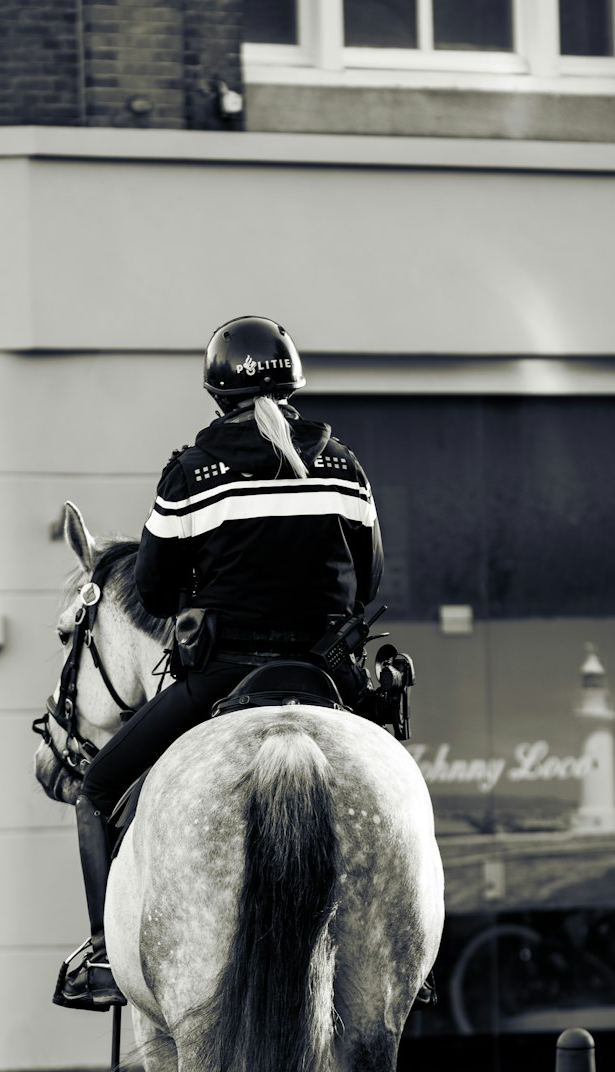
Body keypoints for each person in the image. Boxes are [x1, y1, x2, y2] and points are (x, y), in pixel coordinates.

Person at [57, 315, 384, 1010]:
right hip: (328, 674)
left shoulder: (191, 474)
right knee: (392, 788)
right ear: (293, 384)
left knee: (93, 793)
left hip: (223, 675)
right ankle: (403, 950)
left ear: (216, 392)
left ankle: (101, 959)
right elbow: (372, 577)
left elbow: (151, 589)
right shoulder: (342, 465)